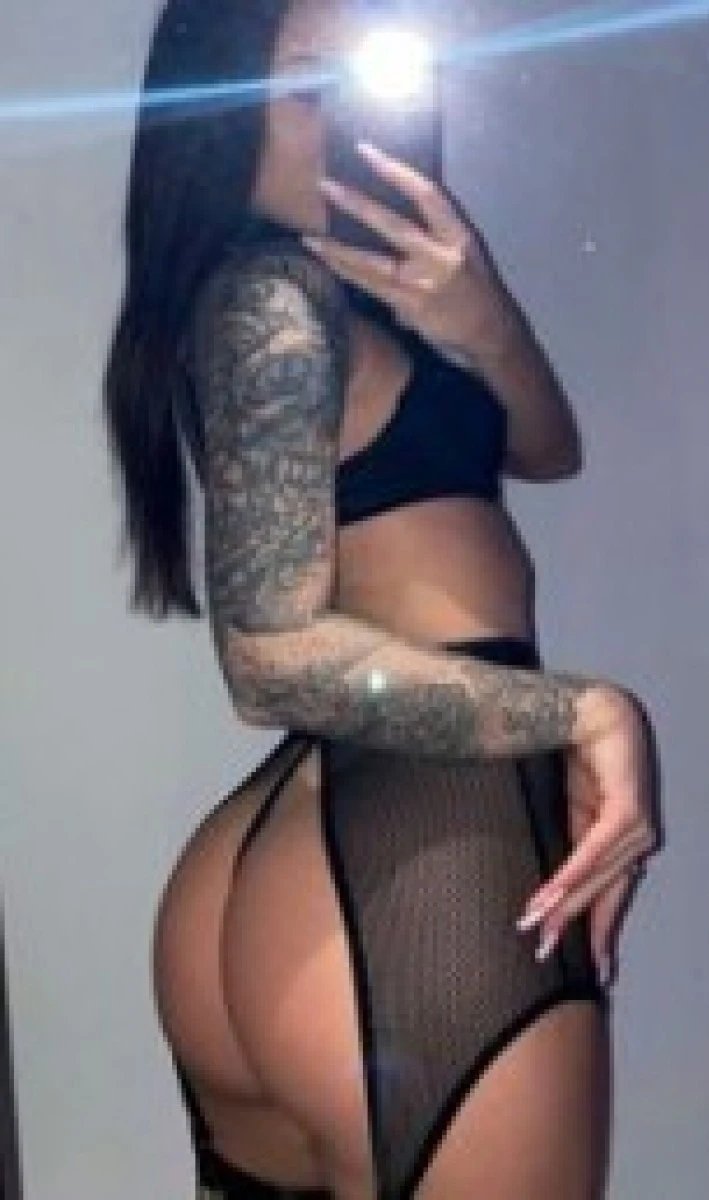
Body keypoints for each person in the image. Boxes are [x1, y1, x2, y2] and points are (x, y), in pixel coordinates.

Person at [102, 1, 658, 1196]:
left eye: (360, 85)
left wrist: (482, 322)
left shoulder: (339, 294)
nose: (344, 121)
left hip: (317, 841)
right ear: (214, 113)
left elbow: (547, 449)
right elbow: (268, 657)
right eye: (308, 89)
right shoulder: (273, 298)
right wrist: (581, 712)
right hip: (423, 840)